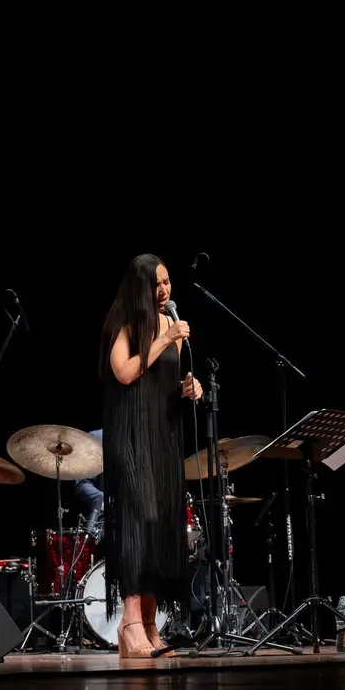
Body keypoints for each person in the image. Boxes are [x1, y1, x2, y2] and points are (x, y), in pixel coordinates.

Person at [98, 254, 203, 658]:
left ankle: (150, 623)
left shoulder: (172, 327)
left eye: (167, 282)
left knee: (160, 527)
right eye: (156, 283)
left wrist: (188, 388)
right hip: (131, 437)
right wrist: (163, 338)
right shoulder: (124, 323)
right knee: (138, 524)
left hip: (163, 439)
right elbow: (124, 372)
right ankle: (129, 622)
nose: (164, 290)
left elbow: (165, 380)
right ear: (139, 286)